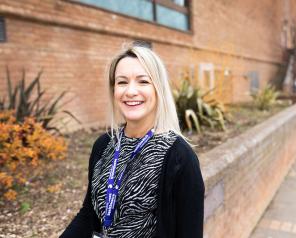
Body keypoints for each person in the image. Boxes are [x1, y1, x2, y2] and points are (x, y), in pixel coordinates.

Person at [60, 42, 205, 238]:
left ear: (158, 88)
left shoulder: (180, 157)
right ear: (114, 90)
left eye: (143, 81)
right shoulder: (104, 145)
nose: (130, 91)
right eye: (122, 82)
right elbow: (89, 214)